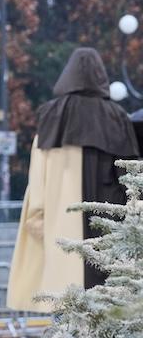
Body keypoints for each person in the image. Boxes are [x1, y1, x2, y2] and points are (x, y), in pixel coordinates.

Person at [8, 47, 140, 310]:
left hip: (61, 228)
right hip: (108, 229)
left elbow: (38, 182)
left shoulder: (51, 116)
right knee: (108, 310)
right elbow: (131, 177)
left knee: (64, 306)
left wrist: (41, 223)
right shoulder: (116, 116)